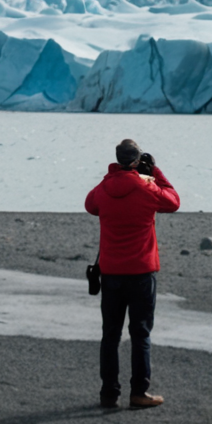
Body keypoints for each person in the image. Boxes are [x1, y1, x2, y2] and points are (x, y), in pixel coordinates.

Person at [84, 137, 181, 409]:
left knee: (110, 335)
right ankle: (139, 392)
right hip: (141, 271)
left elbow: (90, 205)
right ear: (138, 161)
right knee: (140, 334)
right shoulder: (147, 189)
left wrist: (113, 175)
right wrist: (155, 173)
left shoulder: (104, 189)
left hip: (112, 273)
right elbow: (173, 201)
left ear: (117, 160)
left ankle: (108, 394)